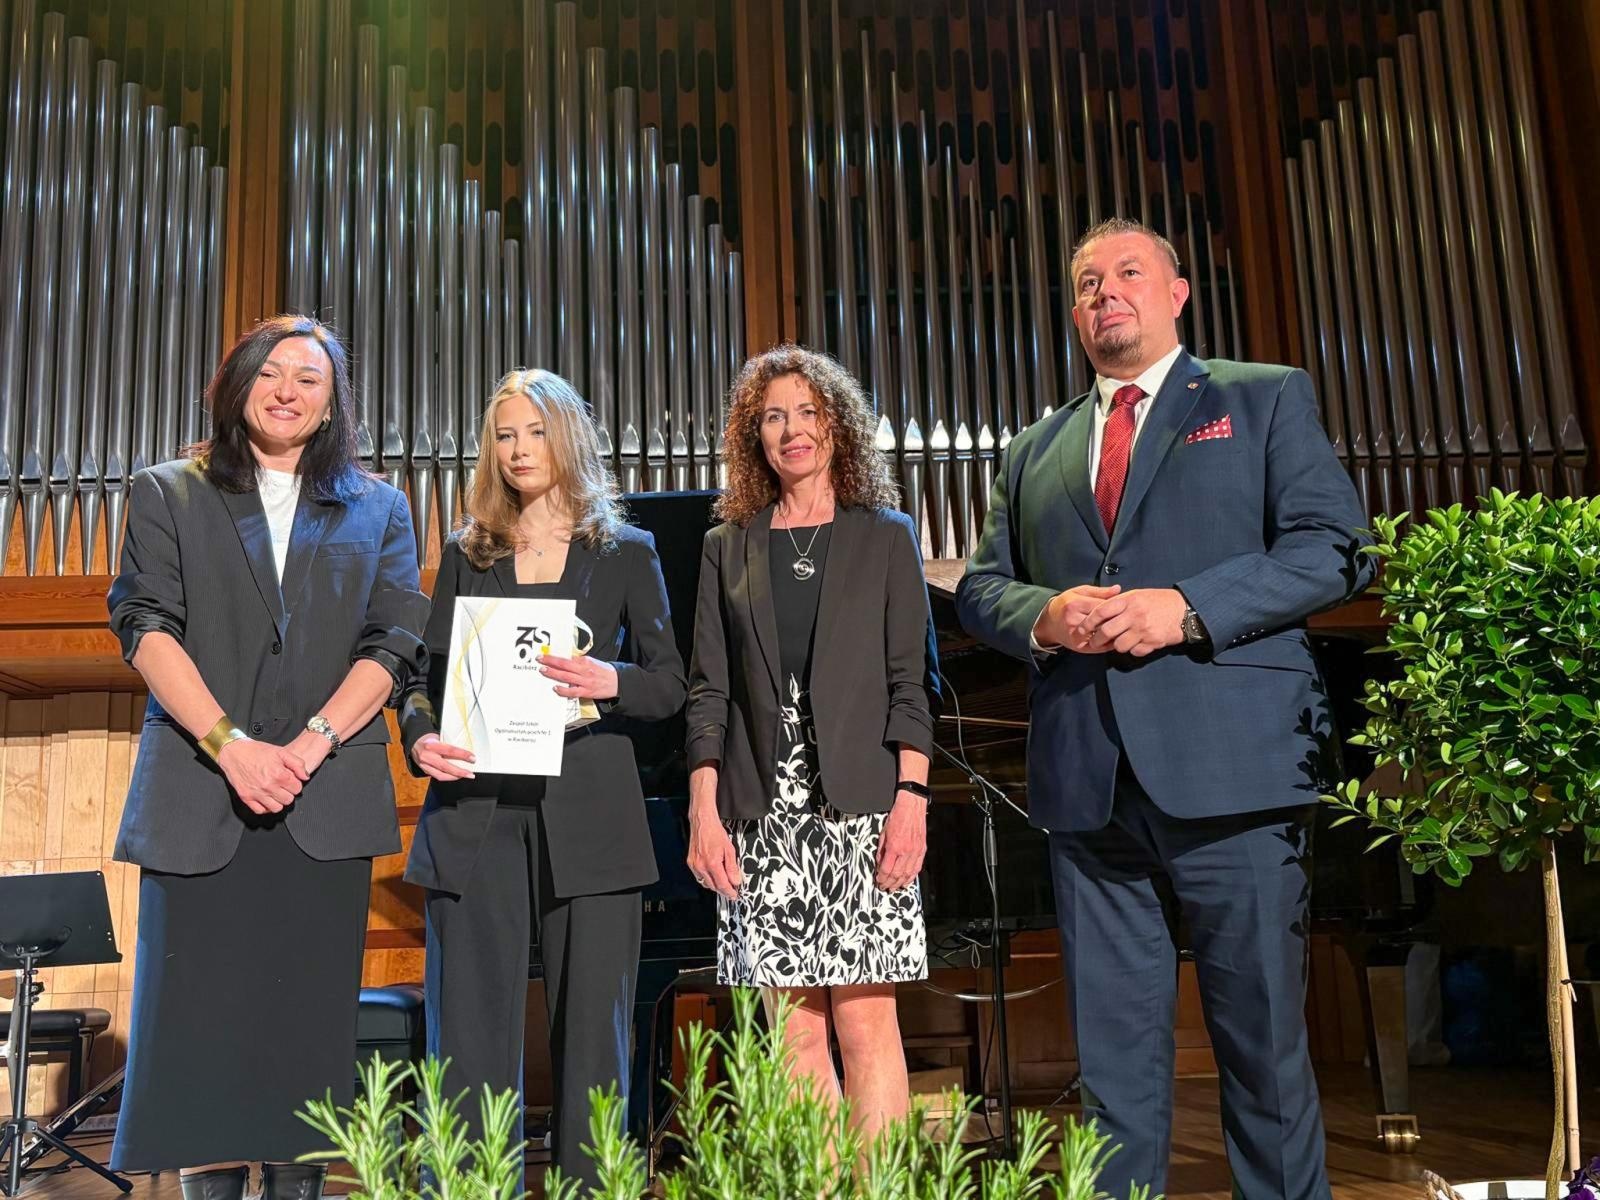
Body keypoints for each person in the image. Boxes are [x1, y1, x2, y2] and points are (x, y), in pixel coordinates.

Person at [955, 217, 1374, 1200]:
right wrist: (1043, 615)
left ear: (1176, 293)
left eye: (1127, 272)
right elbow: (980, 591)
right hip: (1086, 788)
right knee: (1111, 1076)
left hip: (1234, 776)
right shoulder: (1031, 451)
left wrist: (1188, 609)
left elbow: (1333, 550)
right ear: (1071, 312)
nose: (1106, 290)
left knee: (1264, 1056)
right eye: (1086, 280)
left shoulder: (1260, 398)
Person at [107, 315, 429, 1200]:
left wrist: (313, 743)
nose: (288, 389)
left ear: (332, 407)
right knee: (198, 1034)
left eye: (311, 379)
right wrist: (233, 746)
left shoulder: (381, 506)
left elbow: (396, 638)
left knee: (301, 1037)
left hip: (319, 801)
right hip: (198, 798)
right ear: (238, 384)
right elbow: (143, 625)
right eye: (271, 371)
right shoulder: (168, 491)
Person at [398, 369, 685, 1191]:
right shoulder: (468, 551)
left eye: (533, 431)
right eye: (503, 435)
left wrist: (612, 682)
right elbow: (422, 678)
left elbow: (670, 684)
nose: (519, 450)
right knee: (471, 1037)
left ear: (567, 436)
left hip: (591, 818)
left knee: (596, 1040)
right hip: (475, 811)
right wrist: (419, 737)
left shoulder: (626, 551)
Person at [685, 345, 940, 1139]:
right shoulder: (727, 546)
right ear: (752, 437)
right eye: (772, 417)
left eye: (807, 412)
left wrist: (912, 801)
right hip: (761, 819)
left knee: (868, 1028)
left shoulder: (886, 535)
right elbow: (707, 693)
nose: (791, 430)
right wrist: (703, 811)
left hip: (865, 812)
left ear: (837, 424)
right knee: (793, 1035)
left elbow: (911, 685)